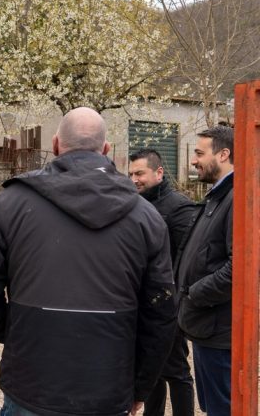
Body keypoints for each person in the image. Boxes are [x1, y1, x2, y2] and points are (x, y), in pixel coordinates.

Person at [0, 107, 176, 416]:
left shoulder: (13, 203)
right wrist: (140, 385)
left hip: (32, 384)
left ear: (57, 145)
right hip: (107, 388)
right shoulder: (146, 217)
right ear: (106, 150)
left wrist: (13, 330)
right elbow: (162, 312)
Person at [129, 149, 196, 416]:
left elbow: (187, 261)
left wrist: (176, 302)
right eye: (131, 173)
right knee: (150, 369)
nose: (134, 179)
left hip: (168, 306)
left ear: (159, 173)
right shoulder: (136, 204)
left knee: (177, 371)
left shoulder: (179, 208)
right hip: (142, 304)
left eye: (140, 173)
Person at [176, 126, 234, 416]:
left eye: (200, 153)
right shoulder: (217, 196)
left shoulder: (235, 199)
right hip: (205, 326)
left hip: (218, 330)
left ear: (223, 154)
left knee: (221, 409)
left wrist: (193, 293)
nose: (193, 160)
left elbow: (239, 268)